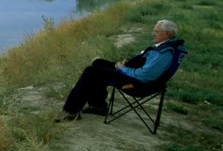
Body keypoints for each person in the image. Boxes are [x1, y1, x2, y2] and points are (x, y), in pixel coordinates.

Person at [55, 19, 183, 122]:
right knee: (98, 63)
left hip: (139, 84)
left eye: (157, 31)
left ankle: (70, 112)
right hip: (133, 75)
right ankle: (97, 106)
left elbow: (144, 75)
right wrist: (124, 64)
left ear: (168, 34)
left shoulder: (165, 53)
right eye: (154, 30)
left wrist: (123, 68)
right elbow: (142, 63)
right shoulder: (163, 47)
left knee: (91, 71)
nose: (153, 34)